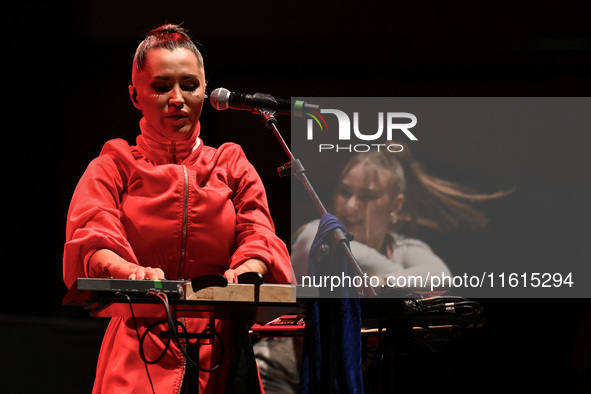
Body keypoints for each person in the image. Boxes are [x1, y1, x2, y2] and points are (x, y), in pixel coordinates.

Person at [63, 24, 291, 394]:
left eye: (189, 85)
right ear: (135, 95)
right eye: (160, 86)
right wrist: (133, 272)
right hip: (140, 342)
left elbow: (260, 234)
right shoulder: (113, 164)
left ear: (205, 88)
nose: (177, 98)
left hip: (222, 346)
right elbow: (92, 238)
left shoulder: (231, 164)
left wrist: (248, 268)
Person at [255, 142, 510, 393]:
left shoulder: (402, 246)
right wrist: (394, 278)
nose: (351, 205)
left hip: (348, 377)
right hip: (280, 374)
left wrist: (384, 280)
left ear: (396, 205)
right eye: (344, 191)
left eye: (367, 196)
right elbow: (357, 260)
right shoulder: (316, 235)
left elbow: (441, 277)